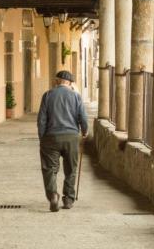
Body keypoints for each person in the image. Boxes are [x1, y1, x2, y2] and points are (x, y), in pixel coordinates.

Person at [37, 70, 88, 212]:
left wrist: (42, 138)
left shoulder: (47, 95)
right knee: (71, 169)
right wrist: (84, 131)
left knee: (49, 169)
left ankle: (53, 195)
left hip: (51, 137)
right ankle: (69, 199)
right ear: (70, 83)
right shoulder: (76, 97)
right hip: (71, 137)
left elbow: (41, 120)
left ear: (57, 81)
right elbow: (83, 117)